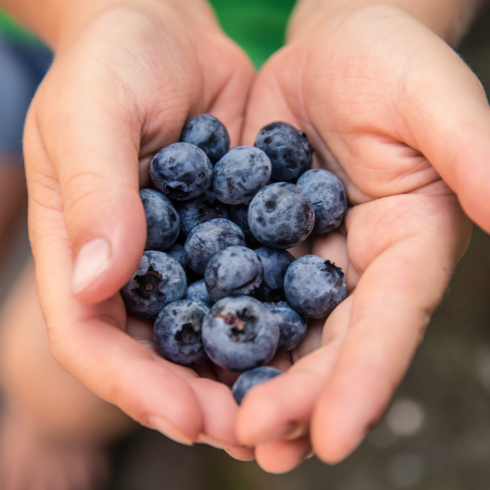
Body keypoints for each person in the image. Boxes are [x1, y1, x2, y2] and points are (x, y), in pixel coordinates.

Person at [0, 0, 488, 485]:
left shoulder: (255, 242)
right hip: (45, 38)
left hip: (281, 63)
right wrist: (93, 16)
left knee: (48, 387)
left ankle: (46, 426)